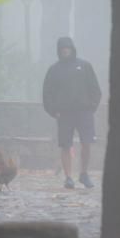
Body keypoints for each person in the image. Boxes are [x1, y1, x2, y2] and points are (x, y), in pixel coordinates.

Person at [42, 37, 102, 189]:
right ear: (59, 50)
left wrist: (91, 108)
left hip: (84, 112)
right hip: (64, 114)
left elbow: (95, 89)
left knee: (87, 143)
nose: (65, 50)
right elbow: (47, 94)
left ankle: (84, 173)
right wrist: (54, 111)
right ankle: (68, 177)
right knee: (65, 145)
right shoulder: (54, 70)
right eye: (62, 48)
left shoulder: (85, 66)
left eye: (67, 48)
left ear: (72, 48)